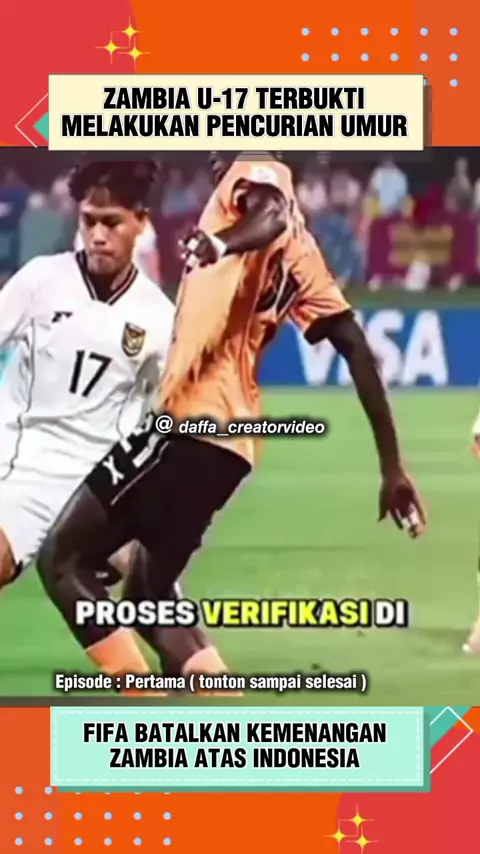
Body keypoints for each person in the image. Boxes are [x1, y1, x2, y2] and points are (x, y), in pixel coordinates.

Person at [37, 152, 427, 679]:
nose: (215, 153)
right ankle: (220, 704)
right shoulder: (305, 257)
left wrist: (220, 242)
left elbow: (271, 212)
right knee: (149, 597)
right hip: (230, 449)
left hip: (188, 422)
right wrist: (392, 467)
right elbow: (357, 347)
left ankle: (139, 705)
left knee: (64, 560)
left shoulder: (253, 171)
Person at [0, 158, 226, 688]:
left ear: (141, 222)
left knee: (156, 594)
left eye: (112, 222)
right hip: (25, 469)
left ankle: (208, 688)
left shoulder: (158, 317)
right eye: (89, 221)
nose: (98, 235)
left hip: (104, 485)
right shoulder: (41, 281)